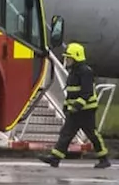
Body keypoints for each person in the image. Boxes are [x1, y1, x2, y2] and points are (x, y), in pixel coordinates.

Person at [39, 41, 111, 169]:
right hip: (75, 111)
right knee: (66, 134)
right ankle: (55, 159)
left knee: (92, 134)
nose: (67, 60)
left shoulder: (85, 72)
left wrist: (77, 106)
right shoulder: (73, 72)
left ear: (76, 57)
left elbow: (86, 93)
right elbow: (71, 92)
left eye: (69, 58)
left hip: (86, 111)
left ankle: (104, 159)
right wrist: (66, 105)